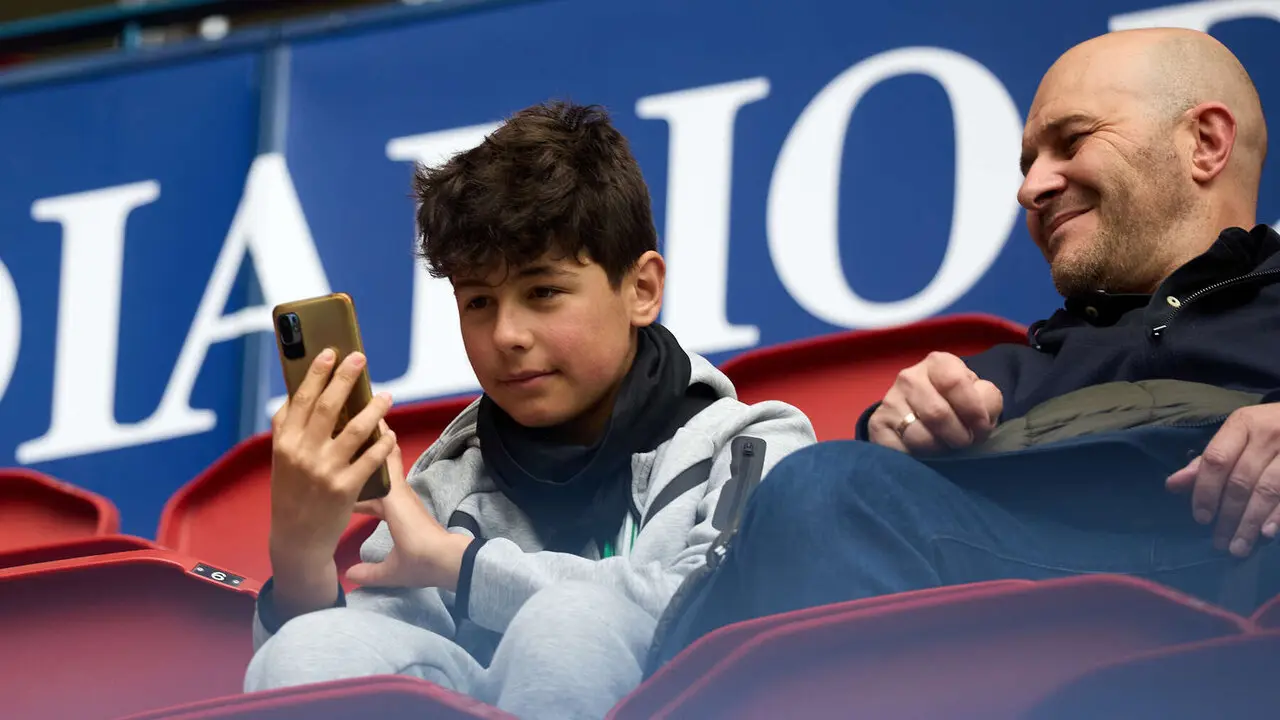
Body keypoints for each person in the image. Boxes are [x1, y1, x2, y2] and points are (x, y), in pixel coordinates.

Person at [650, 27, 1280, 665]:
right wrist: (894, 433)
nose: (1030, 189)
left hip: (1247, 589)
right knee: (823, 487)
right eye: (1027, 164)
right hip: (1005, 627)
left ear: (1204, 143)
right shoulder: (989, 382)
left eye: (1072, 141)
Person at [243, 101, 815, 719]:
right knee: (305, 648)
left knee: (570, 623)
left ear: (642, 290)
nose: (507, 334)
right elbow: (352, 660)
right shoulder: (446, 483)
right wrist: (301, 558)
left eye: (543, 292)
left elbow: (724, 612)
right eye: (479, 302)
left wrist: (463, 567)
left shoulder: (756, 441)